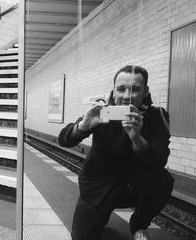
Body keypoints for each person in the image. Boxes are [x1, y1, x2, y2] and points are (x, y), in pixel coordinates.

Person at [58, 65, 174, 240]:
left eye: (135, 89)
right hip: (99, 187)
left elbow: (159, 159)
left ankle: (138, 227)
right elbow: (64, 140)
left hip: (135, 186)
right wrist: (82, 127)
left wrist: (137, 139)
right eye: (121, 89)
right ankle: (99, 218)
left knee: (163, 179)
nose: (127, 96)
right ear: (113, 91)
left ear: (145, 91)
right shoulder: (102, 112)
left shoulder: (156, 116)